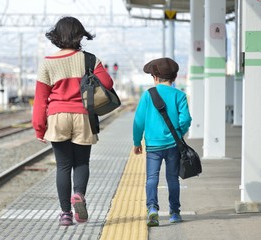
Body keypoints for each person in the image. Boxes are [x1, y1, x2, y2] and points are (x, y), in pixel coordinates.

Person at [32, 16, 114, 226]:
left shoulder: (47, 63)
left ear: (57, 37)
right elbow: (107, 82)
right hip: (83, 116)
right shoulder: (89, 59)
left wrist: (39, 128)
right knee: (81, 163)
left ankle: (66, 214)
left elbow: (41, 100)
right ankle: (78, 194)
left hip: (57, 117)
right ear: (80, 36)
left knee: (63, 166)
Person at [132, 58, 192, 227]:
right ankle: (174, 213)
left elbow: (138, 121)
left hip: (153, 146)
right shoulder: (179, 95)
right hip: (173, 145)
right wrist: (179, 132)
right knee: (172, 179)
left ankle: (152, 209)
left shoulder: (148, 95)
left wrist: (137, 142)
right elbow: (186, 119)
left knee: (152, 178)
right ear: (174, 77)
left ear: (155, 77)